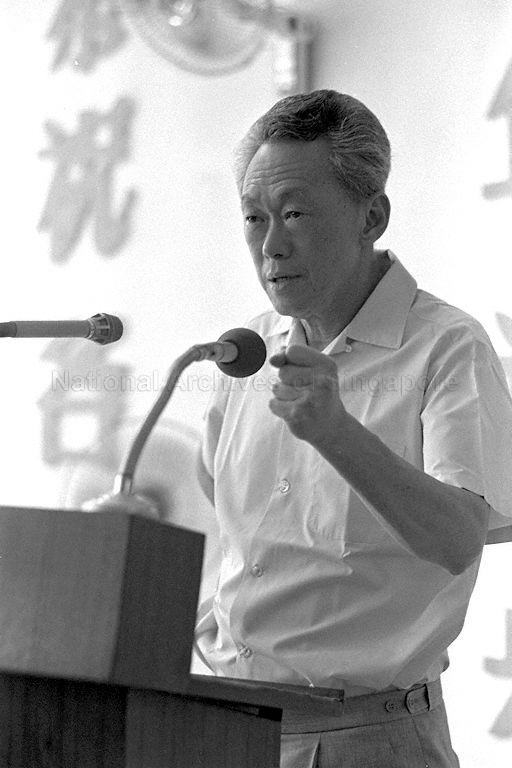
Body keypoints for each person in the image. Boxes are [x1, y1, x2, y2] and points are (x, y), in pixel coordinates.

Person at [194, 89, 512, 768]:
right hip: (222, 727)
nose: (271, 245)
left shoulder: (448, 347)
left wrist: (338, 433)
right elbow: (237, 537)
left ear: (374, 215)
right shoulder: (245, 349)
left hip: (363, 739)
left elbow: (458, 538)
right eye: (254, 218)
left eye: (296, 214)